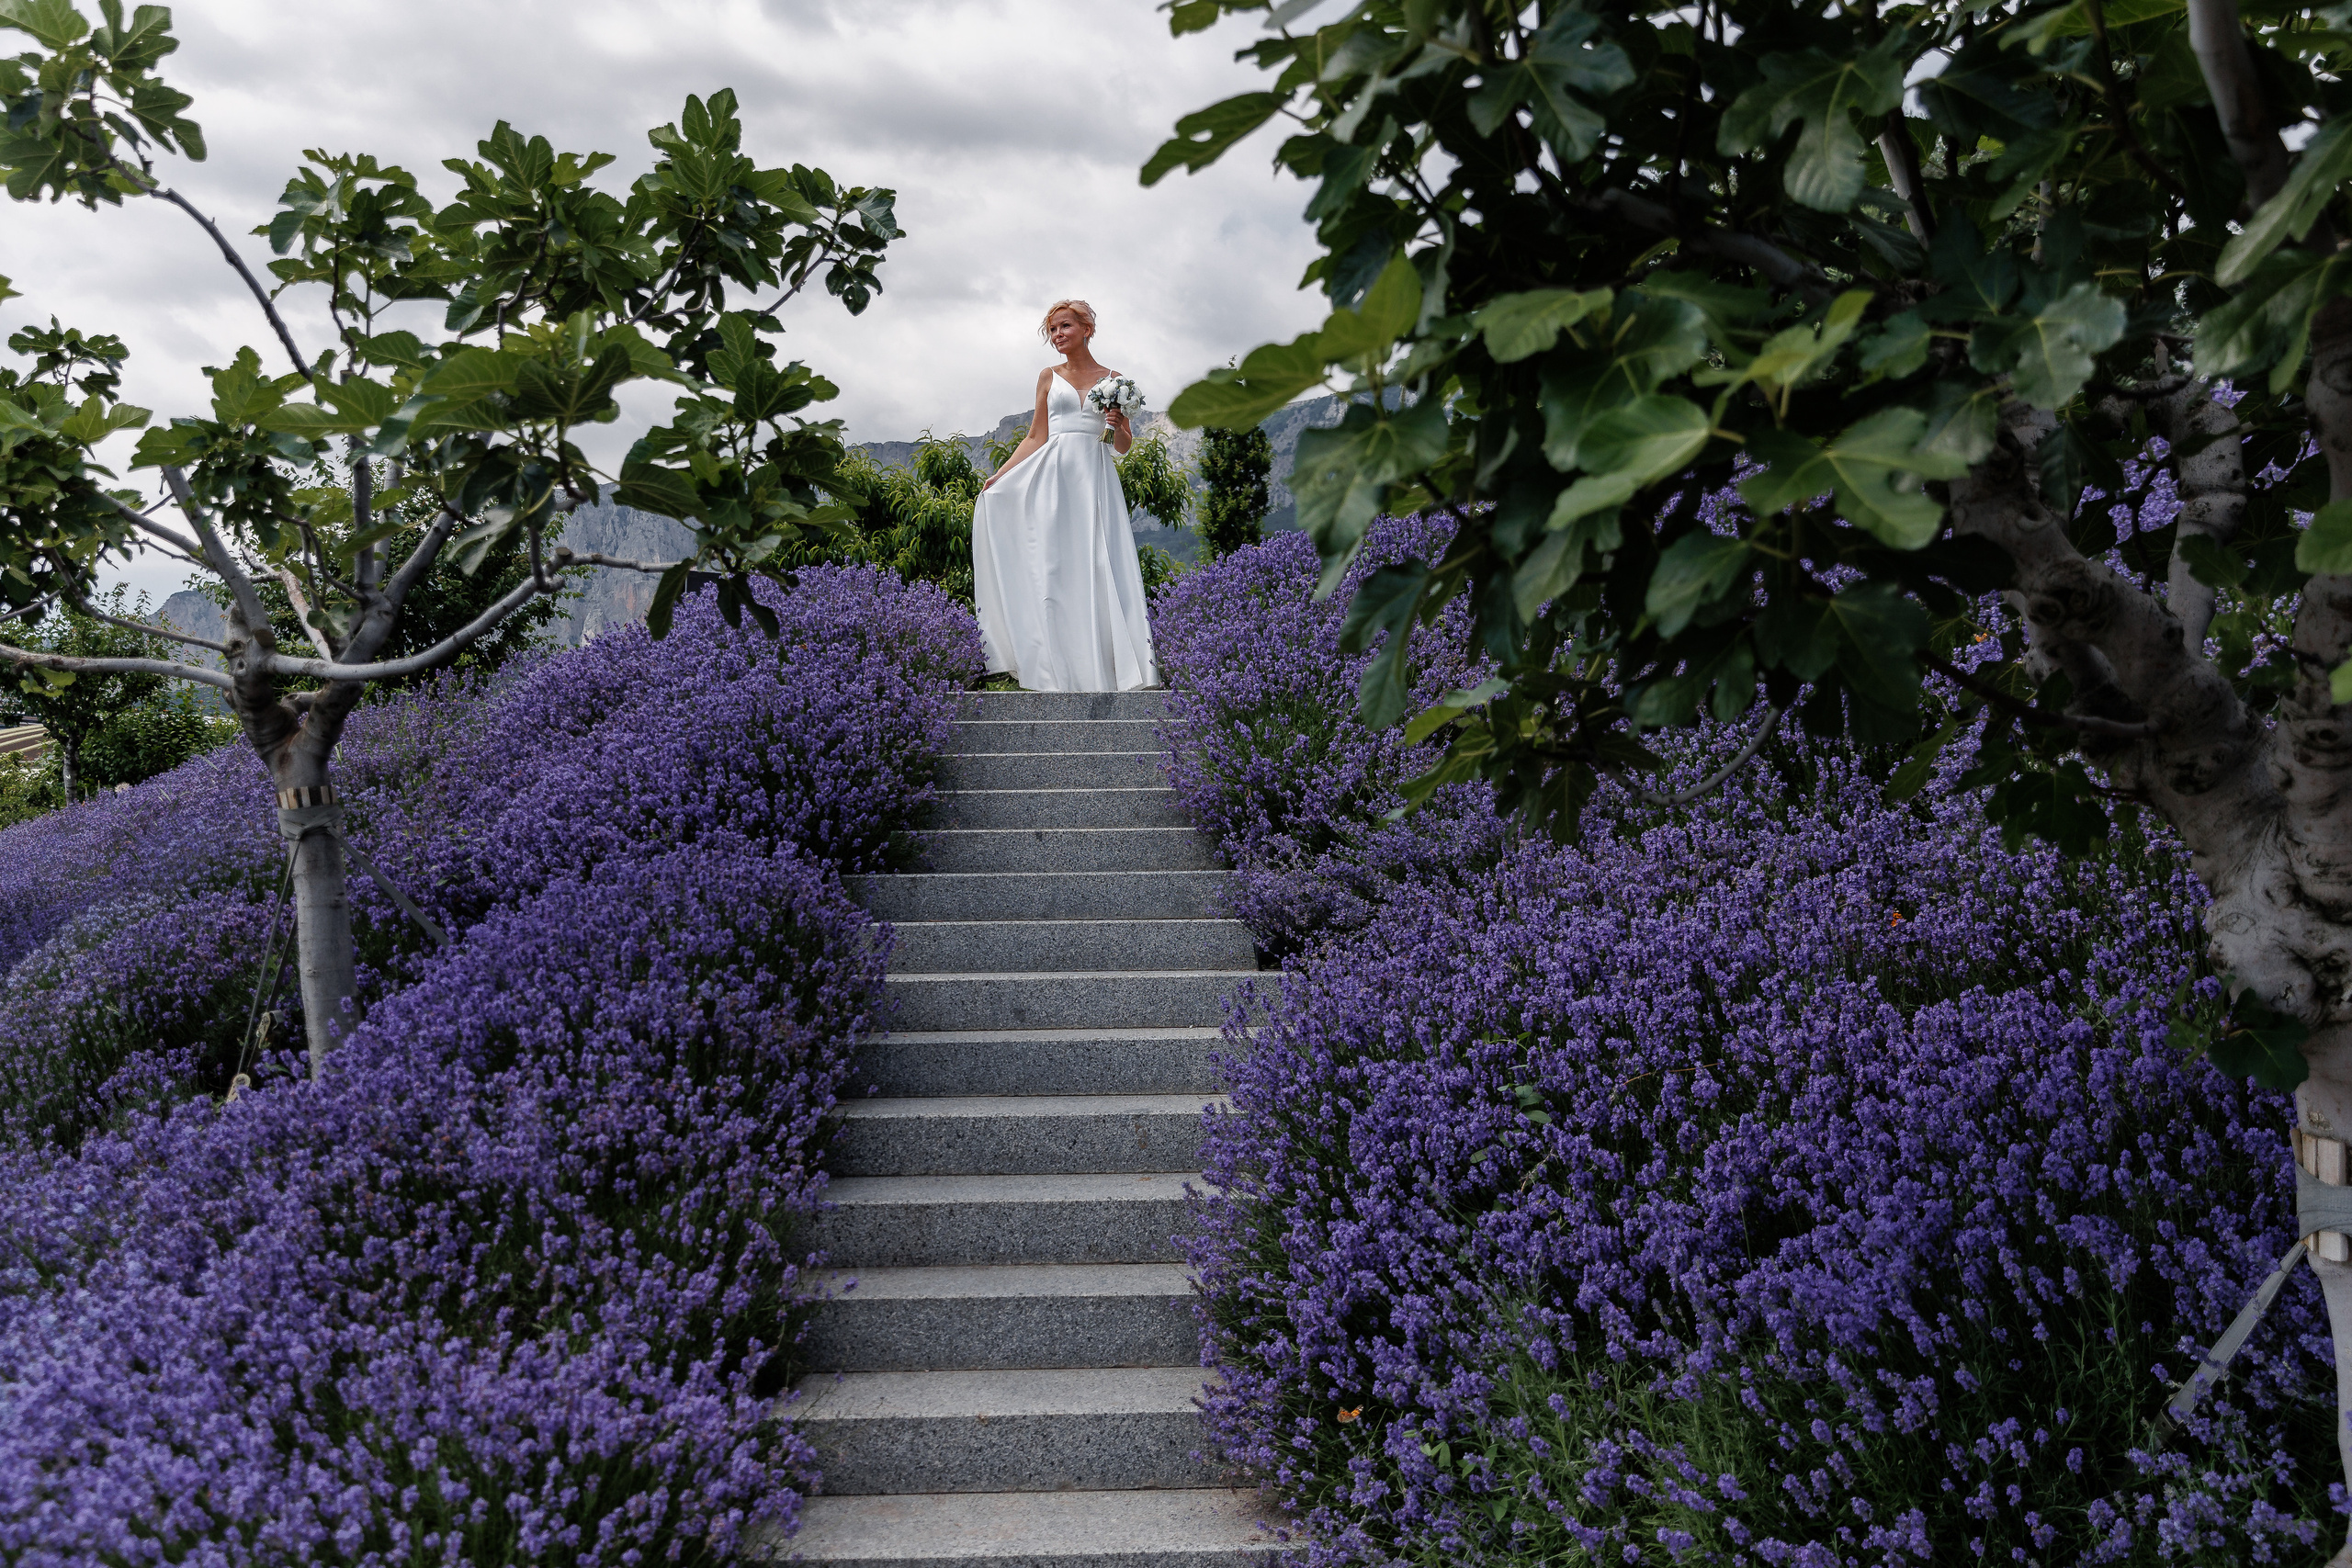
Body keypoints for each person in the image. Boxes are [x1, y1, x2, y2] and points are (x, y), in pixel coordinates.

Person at [971, 299, 1159, 692]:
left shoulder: (1114, 380)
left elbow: (1122, 445)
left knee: (1098, 566)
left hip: (1094, 478)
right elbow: (1036, 436)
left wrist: (1116, 423)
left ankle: (1108, 673)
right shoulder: (1047, 377)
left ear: (1087, 329)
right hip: (1052, 480)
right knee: (1055, 571)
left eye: (1065, 326)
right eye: (1053, 329)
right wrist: (1000, 476)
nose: (1058, 334)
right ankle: (1058, 675)